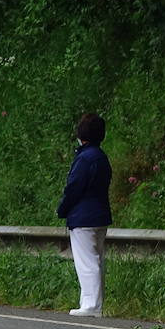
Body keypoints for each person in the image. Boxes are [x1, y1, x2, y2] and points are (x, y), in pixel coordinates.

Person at [56, 113, 113, 317]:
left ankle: (91, 306)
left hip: (83, 217)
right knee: (96, 260)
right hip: (100, 215)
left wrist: (63, 209)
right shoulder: (101, 157)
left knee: (87, 262)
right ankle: (91, 302)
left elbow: (74, 187)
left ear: (81, 134)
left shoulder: (84, 159)